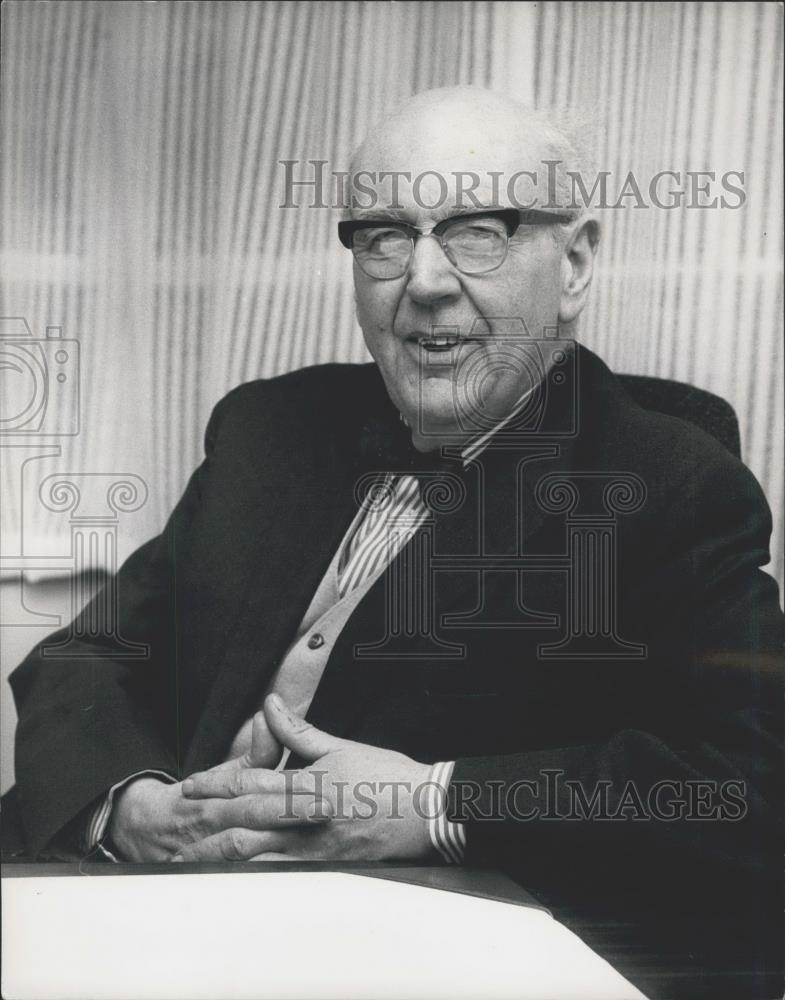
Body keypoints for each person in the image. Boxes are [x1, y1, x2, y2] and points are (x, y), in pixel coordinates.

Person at [8, 87, 783, 997]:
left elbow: (745, 781)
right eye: (383, 235)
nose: (421, 281)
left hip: (415, 956)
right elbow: (90, 657)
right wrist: (127, 808)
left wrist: (435, 802)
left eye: (477, 231)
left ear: (573, 264)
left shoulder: (668, 479)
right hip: (132, 919)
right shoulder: (269, 427)